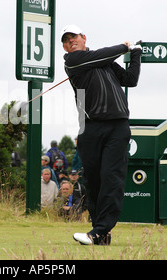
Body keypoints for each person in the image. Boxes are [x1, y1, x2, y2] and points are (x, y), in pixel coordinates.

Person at [61, 25, 142, 245]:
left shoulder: (104, 61)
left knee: (111, 179)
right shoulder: (73, 61)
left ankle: (99, 231)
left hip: (117, 126)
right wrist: (124, 46)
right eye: (66, 40)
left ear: (83, 37)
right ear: (65, 47)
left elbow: (130, 79)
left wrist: (135, 53)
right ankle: (101, 232)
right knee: (94, 182)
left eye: (74, 37)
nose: (71, 42)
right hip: (91, 128)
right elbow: (101, 55)